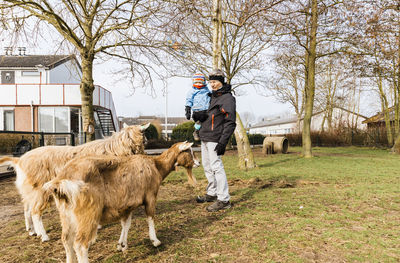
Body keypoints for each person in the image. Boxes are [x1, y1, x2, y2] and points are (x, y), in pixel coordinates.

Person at [196, 69, 236, 212]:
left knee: (216, 167)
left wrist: (223, 142)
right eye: (210, 82)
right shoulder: (210, 96)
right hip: (205, 136)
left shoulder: (227, 98)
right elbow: (209, 115)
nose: (212, 84)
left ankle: (224, 199)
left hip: (215, 138)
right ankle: (212, 193)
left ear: (221, 81)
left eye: (215, 81)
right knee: (207, 167)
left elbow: (230, 122)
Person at [185, 73, 211, 141]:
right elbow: (189, 100)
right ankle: (196, 131)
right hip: (197, 110)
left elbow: (212, 95)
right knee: (199, 122)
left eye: (200, 82)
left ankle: (205, 133)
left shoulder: (207, 90)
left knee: (207, 122)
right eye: (196, 82)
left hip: (206, 109)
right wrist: (188, 110)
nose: (198, 84)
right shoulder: (192, 91)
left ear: (204, 82)